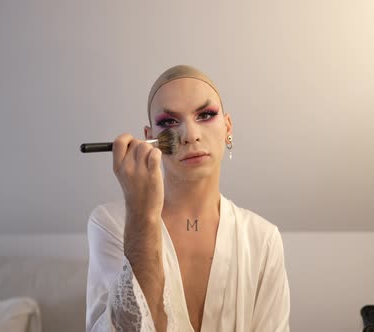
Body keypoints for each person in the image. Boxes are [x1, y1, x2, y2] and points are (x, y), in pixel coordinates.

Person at [86, 65, 290, 331]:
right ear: (150, 138)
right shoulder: (110, 224)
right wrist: (141, 215)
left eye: (205, 114)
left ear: (227, 126)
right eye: (170, 122)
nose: (190, 135)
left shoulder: (262, 239)